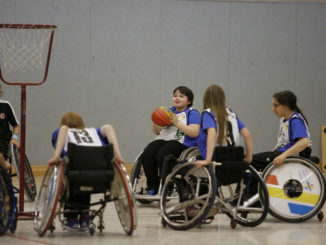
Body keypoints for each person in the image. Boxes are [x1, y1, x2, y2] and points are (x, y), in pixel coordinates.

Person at [48, 112, 125, 230]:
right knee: (87, 180)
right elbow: (109, 128)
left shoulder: (62, 131)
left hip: (74, 172)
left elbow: (63, 129)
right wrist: (118, 156)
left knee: (74, 178)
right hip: (101, 174)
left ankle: (71, 218)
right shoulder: (94, 132)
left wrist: (56, 156)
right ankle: (85, 217)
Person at [142, 86, 201, 195]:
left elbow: (194, 132)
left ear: (189, 101)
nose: (177, 98)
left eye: (181, 96)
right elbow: (156, 132)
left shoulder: (192, 113)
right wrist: (155, 122)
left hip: (182, 142)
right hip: (164, 139)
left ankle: (166, 186)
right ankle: (152, 187)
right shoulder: (167, 111)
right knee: (147, 153)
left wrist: (177, 123)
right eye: (175, 96)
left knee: (163, 154)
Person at [251, 90, 311, 171]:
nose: (273, 109)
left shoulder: (295, 121)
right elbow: (281, 143)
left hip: (289, 156)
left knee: (249, 160)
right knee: (251, 162)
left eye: (276, 105)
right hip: (280, 152)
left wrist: (283, 156)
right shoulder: (284, 119)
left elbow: (305, 141)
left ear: (286, 106)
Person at [195, 84, 253, 168]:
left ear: (206, 98)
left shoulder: (208, 113)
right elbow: (248, 135)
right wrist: (248, 158)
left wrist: (208, 160)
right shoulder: (231, 113)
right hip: (235, 156)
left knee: (187, 163)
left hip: (218, 156)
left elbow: (212, 134)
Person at [0, 84, 20, 170]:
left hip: (3, 142)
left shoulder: (6, 105)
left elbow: (15, 126)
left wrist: (14, 138)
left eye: (0, 92)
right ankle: (5, 165)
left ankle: (4, 164)